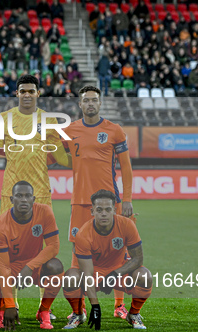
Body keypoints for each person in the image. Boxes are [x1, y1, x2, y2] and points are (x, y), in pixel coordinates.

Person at [0, 74, 72, 316]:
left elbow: (63, 158)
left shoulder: (49, 120)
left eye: (31, 91)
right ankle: (10, 303)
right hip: (10, 194)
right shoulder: (4, 119)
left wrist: (86, 158)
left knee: (46, 247)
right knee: (9, 249)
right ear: (17, 93)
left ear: (38, 93)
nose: (26, 95)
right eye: (22, 91)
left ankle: (45, 307)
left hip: (40, 192)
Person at [63, 85, 134, 319]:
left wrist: (127, 199)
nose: (90, 104)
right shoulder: (70, 129)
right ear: (80, 104)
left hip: (108, 202)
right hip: (80, 202)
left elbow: (126, 167)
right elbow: (56, 154)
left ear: (100, 103)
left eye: (94, 100)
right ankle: (79, 309)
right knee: (77, 252)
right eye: (86, 100)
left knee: (118, 251)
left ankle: (119, 305)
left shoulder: (114, 130)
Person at [0, 181, 64, 331]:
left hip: (35, 266)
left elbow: (54, 247)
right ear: (12, 200)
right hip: (11, 266)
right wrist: (10, 305)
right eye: (19, 196)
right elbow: (4, 267)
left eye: (27, 196)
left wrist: (29, 267)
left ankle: (44, 311)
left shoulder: (45, 212)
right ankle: (2, 309)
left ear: (33, 199)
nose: (24, 199)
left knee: (56, 266)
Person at [62, 190, 151, 330]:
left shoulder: (127, 225)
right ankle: (78, 314)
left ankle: (133, 314)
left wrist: (115, 274)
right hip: (94, 273)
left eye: (108, 209)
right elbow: (87, 274)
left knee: (145, 276)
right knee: (70, 278)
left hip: (119, 271)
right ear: (92, 211)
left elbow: (138, 259)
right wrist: (95, 306)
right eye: (99, 210)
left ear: (114, 210)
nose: (104, 213)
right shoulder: (83, 234)